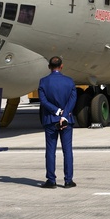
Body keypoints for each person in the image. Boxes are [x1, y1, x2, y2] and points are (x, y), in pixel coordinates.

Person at [38, 56, 77, 189]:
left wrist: (57, 111)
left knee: (50, 150)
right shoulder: (69, 82)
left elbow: (43, 102)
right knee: (68, 151)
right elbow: (72, 100)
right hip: (67, 121)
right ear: (61, 66)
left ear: (49, 67)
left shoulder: (43, 82)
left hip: (50, 119)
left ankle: (51, 180)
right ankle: (68, 180)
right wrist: (64, 115)